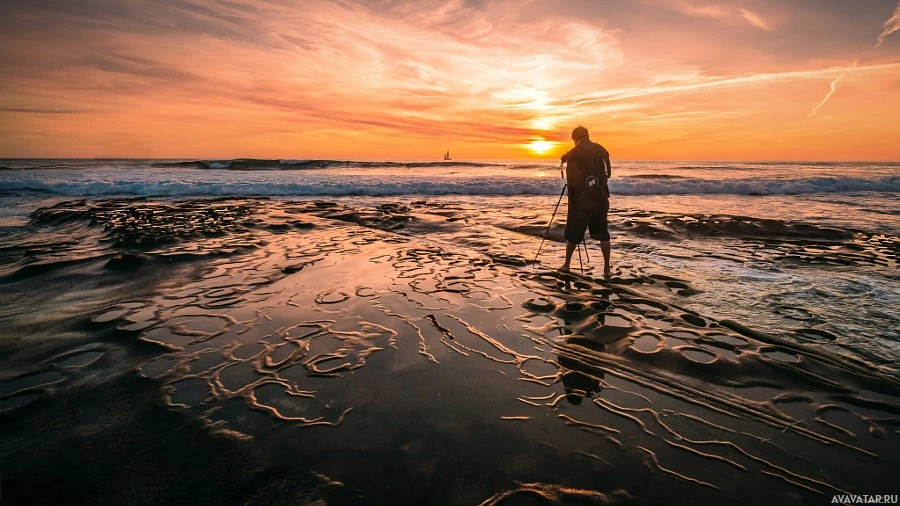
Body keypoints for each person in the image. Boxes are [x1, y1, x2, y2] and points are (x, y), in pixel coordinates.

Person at [559, 125, 612, 278]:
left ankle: (567, 265)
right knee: (603, 233)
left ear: (575, 139)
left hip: (581, 201)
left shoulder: (574, 153)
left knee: (573, 233)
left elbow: (572, 181)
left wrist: (572, 200)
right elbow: (608, 175)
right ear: (587, 136)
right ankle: (607, 269)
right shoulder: (602, 150)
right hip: (600, 198)